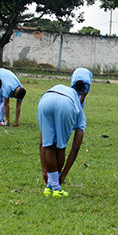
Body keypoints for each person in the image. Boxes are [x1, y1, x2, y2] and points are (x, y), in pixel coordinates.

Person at [38, 69, 92, 197]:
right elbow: (75, 149)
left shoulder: (67, 89)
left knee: (49, 145)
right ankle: (56, 188)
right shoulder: (80, 114)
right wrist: (64, 174)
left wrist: (44, 169)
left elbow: (42, 143)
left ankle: (49, 187)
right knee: (60, 147)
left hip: (45, 99)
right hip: (65, 104)